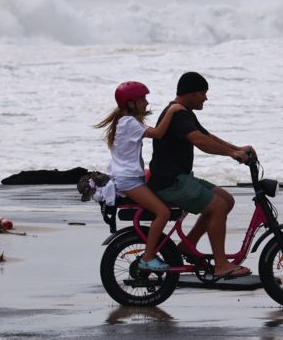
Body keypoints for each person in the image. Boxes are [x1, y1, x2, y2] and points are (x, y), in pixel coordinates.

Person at [148, 71, 254, 279]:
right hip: (170, 183)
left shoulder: (184, 112)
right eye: (203, 93)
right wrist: (233, 153)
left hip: (181, 178)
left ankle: (189, 246)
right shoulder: (177, 114)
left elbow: (207, 136)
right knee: (218, 206)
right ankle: (221, 265)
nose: (206, 98)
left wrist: (237, 148)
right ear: (191, 94)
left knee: (227, 199)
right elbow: (200, 141)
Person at [95, 81, 186, 272]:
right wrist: (172, 110)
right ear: (130, 103)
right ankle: (148, 257)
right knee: (163, 212)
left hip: (129, 176)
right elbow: (159, 133)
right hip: (128, 180)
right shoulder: (129, 122)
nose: (146, 102)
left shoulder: (126, 121)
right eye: (142, 99)